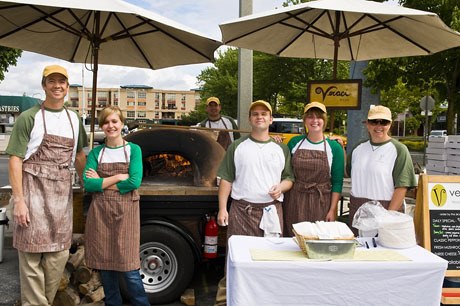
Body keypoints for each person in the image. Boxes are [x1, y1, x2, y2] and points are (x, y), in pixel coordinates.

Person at [6, 65, 88, 305]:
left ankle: (41, 302)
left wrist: (89, 185)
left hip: (61, 198)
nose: (57, 86)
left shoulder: (74, 119)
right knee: (30, 257)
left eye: (61, 82)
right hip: (31, 194)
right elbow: (15, 160)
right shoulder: (28, 117)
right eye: (51, 81)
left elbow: (80, 156)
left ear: (67, 87)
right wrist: (19, 200)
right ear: (44, 85)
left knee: (59, 254)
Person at [214, 100, 294, 306]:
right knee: (236, 261)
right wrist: (223, 208)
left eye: (264, 114)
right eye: (255, 114)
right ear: (250, 119)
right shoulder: (237, 146)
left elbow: (289, 178)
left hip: (271, 212)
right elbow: (226, 179)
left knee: (270, 260)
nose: (260, 117)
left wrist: (281, 187)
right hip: (242, 211)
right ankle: (227, 301)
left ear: (271, 119)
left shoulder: (281, 149)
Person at [83, 106, 149, 306]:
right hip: (100, 216)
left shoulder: (133, 150)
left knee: (130, 270)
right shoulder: (96, 153)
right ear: (102, 126)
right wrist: (119, 177)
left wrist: (102, 183)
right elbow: (88, 184)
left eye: (114, 121)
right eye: (106, 122)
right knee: (106, 269)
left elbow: (135, 182)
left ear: (122, 124)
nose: (110, 126)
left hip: (126, 215)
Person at [347, 105, 417, 235]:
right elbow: (348, 172)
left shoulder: (399, 150)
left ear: (390, 124)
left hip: (386, 212)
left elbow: (402, 186)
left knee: (383, 254)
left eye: (383, 122)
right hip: (358, 212)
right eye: (374, 122)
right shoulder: (358, 149)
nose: (378, 126)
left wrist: (387, 219)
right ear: (367, 124)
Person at [283, 102, 345, 237]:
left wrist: (332, 210)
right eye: (310, 117)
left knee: (319, 240)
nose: (315, 121)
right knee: (292, 240)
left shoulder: (334, 148)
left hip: (321, 202)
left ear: (325, 120)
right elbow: (286, 173)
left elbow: (337, 182)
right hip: (294, 200)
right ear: (305, 120)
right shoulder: (294, 143)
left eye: (319, 117)